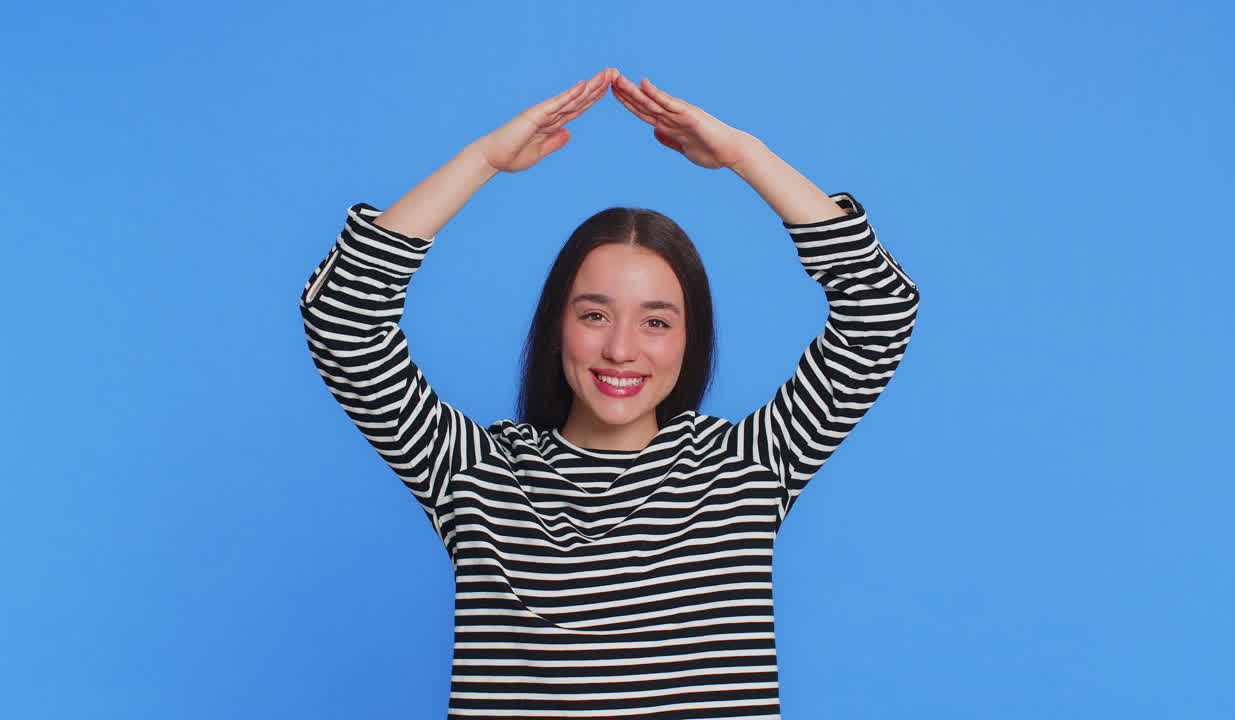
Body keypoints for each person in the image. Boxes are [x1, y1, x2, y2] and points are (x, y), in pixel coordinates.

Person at [299, 67, 919, 720]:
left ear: (690, 338)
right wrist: (481, 159)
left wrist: (745, 155)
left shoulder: (745, 469)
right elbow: (343, 317)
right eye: (594, 314)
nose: (622, 349)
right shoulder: (477, 474)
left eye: (656, 321)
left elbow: (879, 308)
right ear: (555, 327)